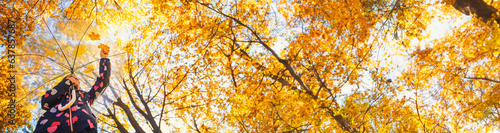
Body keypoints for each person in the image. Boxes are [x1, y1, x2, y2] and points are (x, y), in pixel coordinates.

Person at [34, 47, 111, 133]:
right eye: (69, 78)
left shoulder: (86, 96)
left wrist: (104, 59)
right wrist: (67, 83)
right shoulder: (57, 95)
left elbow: (103, 83)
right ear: (64, 82)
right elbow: (45, 102)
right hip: (52, 128)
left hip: (84, 126)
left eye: (75, 78)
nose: (74, 78)